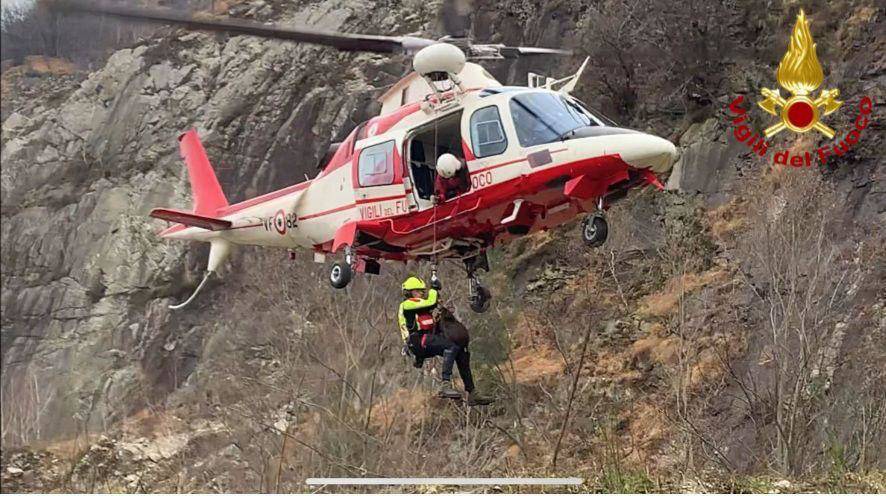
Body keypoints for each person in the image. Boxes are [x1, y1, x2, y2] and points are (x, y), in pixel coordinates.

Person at [398, 276, 492, 405]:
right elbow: (430, 302)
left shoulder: (419, 307)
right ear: (410, 292)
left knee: (461, 353)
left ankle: (472, 392)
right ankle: (445, 384)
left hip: (425, 340)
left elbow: (432, 306)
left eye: (422, 291)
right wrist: (434, 289)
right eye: (419, 291)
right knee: (451, 347)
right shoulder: (407, 305)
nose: (421, 294)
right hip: (417, 341)